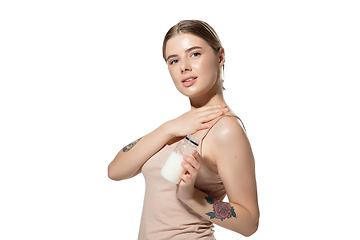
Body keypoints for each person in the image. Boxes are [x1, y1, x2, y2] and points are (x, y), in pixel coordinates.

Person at [108, 20, 259, 239]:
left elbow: (249, 222)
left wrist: (191, 197)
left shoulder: (226, 130)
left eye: (195, 54)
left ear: (220, 56)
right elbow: (115, 171)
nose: (184, 66)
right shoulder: (177, 127)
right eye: (173, 60)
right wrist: (168, 128)